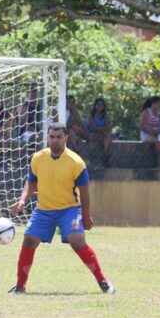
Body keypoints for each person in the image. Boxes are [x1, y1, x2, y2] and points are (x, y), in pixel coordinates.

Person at [9, 123, 114, 294]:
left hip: (70, 210)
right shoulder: (38, 158)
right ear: (47, 138)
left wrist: (86, 217)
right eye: (51, 137)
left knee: (77, 241)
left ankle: (103, 282)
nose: (55, 140)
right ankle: (20, 286)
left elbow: (85, 193)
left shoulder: (76, 162)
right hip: (43, 210)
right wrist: (22, 200)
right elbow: (31, 182)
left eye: (59, 137)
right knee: (29, 239)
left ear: (66, 138)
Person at [86, 97, 112, 165]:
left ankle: (105, 155)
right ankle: (92, 159)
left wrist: (100, 129)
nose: (100, 106)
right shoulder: (92, 115)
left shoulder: (106, 116)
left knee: (107, 136)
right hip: (94, 134)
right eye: (98, 104)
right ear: (95, 105)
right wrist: (101, 129)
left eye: (102, 105)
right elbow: (91, 127)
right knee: (93, 138)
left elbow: (108, 127)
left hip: (103, 135)